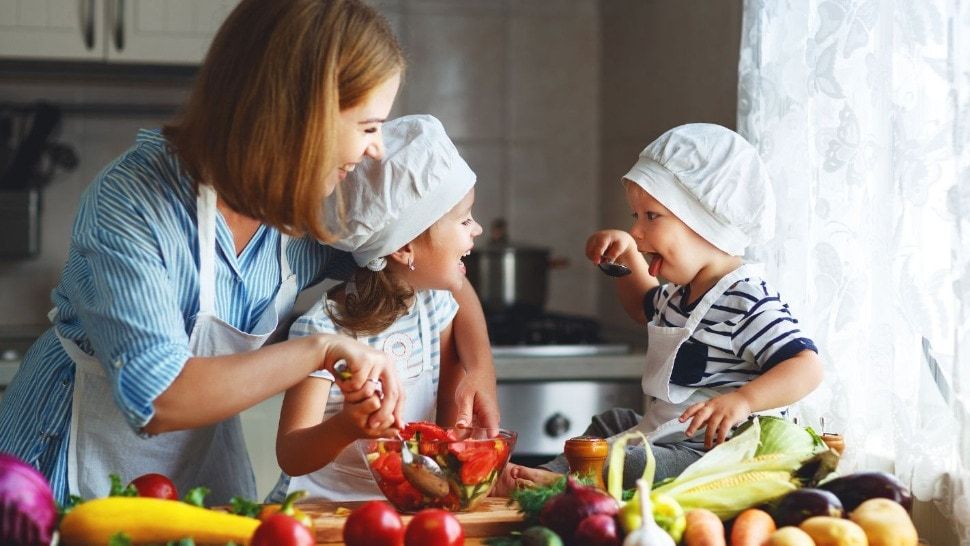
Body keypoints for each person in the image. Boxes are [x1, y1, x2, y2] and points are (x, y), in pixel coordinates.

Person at [0, 0, 497, 506]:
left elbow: (419, 260)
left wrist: (476, 367)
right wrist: (319, 349)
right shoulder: (132, 203)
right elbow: (158, 397)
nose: (375, 149)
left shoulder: (304, 210)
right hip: (58, 475)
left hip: (197, 472)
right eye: (368, 127)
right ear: (303, 114)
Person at [498, 123, 824, 493]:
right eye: (635, 217)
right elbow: (641, 305)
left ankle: (560, 485)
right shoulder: (678, 294)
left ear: (706, 222)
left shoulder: (746, 300)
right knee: (611, 423)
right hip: (670, 432)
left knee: (638, 461)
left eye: (650, 216)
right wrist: (623, 254)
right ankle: (538, 477)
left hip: (717, 452)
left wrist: (743, 400)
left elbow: (806, 366)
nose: (636, 230)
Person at [269, 114, 482, 501]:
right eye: (464, 219)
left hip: (402, 508)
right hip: (322, 516)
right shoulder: (324, 331)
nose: (477, 230)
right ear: (404, 248)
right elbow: (291, 453)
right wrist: (349, 427)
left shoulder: (434, 305)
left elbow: (449, 395)